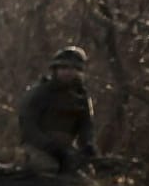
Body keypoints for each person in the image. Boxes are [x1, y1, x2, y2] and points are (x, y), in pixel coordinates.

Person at [17, 46, 97, 174]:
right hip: (37, 147)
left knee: (84, 174)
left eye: (73, 69)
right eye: (63, 68)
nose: (68, 72)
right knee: (47, 169)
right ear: (55, 70)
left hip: (66, 148)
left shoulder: (81, 96)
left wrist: (87, 145)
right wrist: (49, 146)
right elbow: (28, 126)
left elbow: (86, 125)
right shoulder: (41, 93)